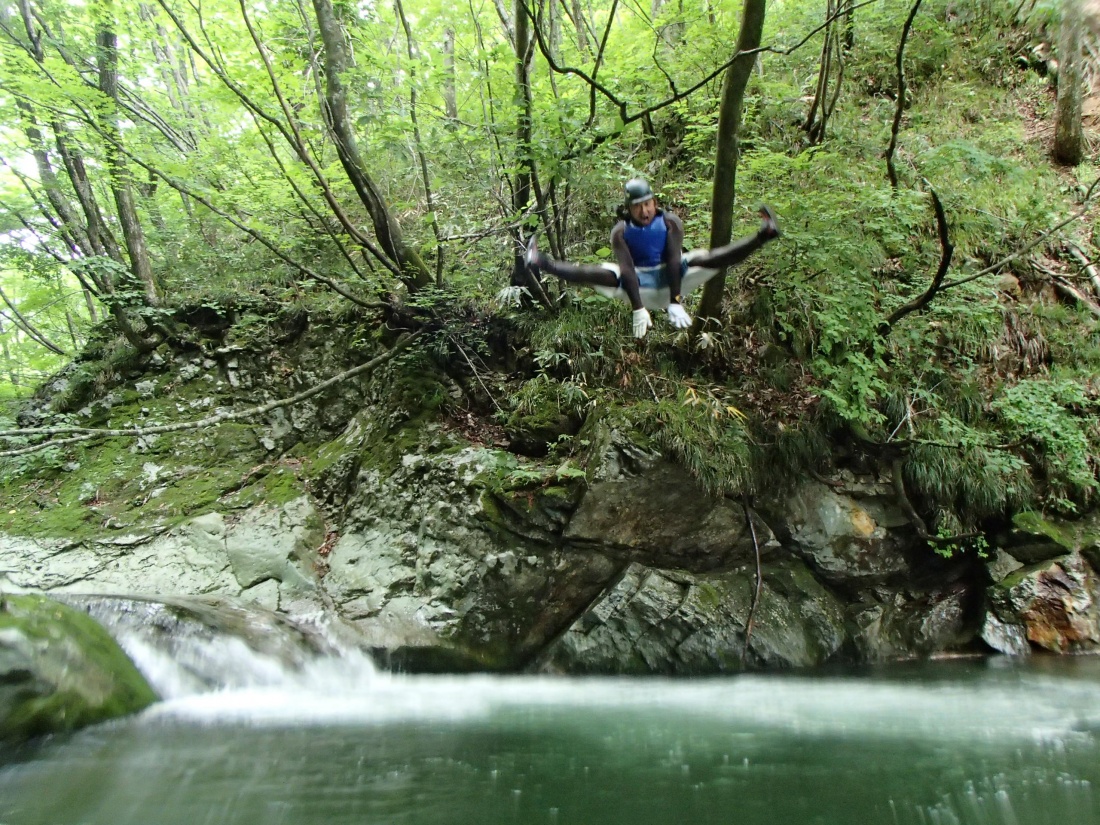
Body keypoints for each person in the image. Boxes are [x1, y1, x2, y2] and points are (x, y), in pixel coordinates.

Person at [525, 178, 781, 338]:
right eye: (638, 206)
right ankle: (540, 260)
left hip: (672, 281)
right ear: (629, 208)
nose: (644, 211)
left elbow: (673, 260)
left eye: (647, 204)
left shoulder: (670, 223)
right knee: (597, 273)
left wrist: (676, 301)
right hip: (640, 286)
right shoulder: (621, 232)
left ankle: (764, 234)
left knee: (708, 258)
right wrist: (638, 309)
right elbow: (626, 271)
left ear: (655, 202)